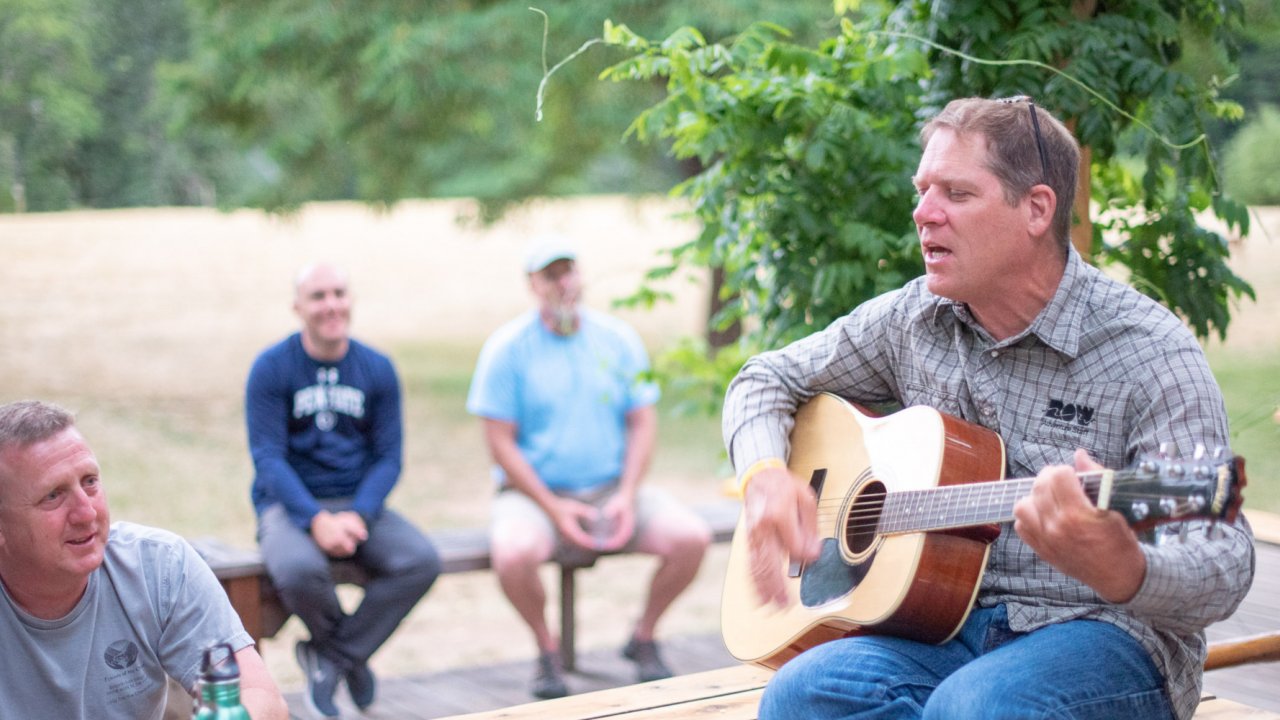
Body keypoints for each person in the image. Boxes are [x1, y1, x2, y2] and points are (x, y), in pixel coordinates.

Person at [723, 96, 1255, 720]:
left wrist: (1127, 568)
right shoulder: (911, 319)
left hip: (1105, 633)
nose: (923, 213)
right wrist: (763, 478)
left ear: (1035, 209)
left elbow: (1224, 561)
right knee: (803, 694)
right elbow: (763, 378)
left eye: (956, 193)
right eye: (922, 190)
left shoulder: (1148, 353)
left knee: (976, 708)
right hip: (943, 628)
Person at [466, 235, 712, 699]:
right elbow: (499, 444)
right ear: (533, 285)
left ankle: (643, 636)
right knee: (513, 554)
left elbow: (642, 423)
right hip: (534, 496)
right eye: (551, 275)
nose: (564, 283)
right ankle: (547, 650)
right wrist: (554, 508)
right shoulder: (507, 349)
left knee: (691, 538)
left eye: (569, 271)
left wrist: (625, 493)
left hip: (613, 489)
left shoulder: (617, 340)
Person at [0, 399, 289, 720]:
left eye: (90, 482)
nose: (87, 513)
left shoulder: (160, 566)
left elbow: (260, 697)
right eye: (53, 495)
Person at [246, 262, 441, 719]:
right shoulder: (272, 368)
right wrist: (314, 520)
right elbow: (268, 458)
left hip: (358, 505)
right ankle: (352, 658)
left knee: (421, 560)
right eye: (318, 296)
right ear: (298, 307)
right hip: (288, 505)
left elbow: (389, 457)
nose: (330, 305)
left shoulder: (376, 368)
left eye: (338, 293)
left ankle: (332, 658)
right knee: (296, 570)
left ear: (350, 300)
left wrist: (358, 514)